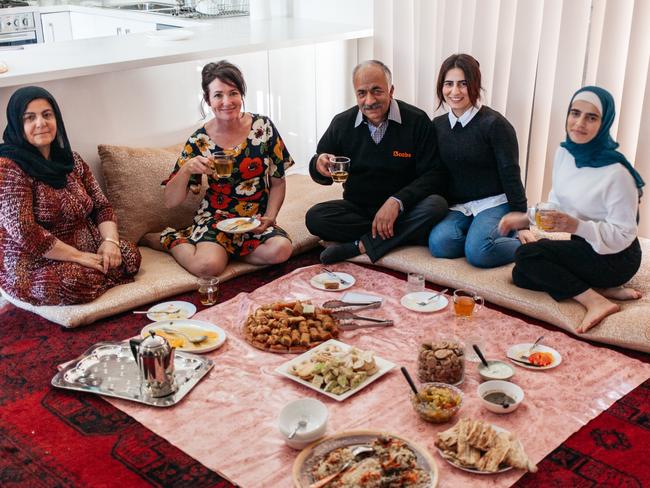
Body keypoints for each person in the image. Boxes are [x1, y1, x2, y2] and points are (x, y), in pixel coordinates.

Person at [499, 86, 644, 333]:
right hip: (584, 245)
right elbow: (558, 203)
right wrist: (525, 218)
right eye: (575, 113)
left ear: (604, 122)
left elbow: (624, 234)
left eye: (591, 117)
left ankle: (596, 302)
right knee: (521, 275)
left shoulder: (617, 173)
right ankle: (600, 288)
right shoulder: (565, 153)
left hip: (619, 257)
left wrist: (577, 226)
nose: (579, 123)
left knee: (527, 256)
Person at [140, 61, 294, 277]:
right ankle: (170, 239)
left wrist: (270, 216)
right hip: (216, 217)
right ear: (208, 100)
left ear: (242, 95)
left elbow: (278, 181)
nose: (227, 102)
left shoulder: (263, 128)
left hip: (254, 219)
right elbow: (170, 201)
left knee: (281, 250)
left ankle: (225, 251)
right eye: (218, 95)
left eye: (233, 93)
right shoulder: (199, 140)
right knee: (208, 268)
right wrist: (186, 170)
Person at [0, 86, 141, 305]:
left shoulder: (71, 160)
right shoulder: (8, 167)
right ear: (18, 125)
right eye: (30, 118)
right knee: (73, 281)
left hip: (88, 249)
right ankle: (100, 275)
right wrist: (78, 257)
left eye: (47, 115)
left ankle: (100, 271)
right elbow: (24, 231)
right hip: (38, 261)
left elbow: (102, 207)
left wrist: (110, 242)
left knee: (130, 255)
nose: (41, 123)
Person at [305, 60, 448, 264]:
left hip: (402, 209)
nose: (369, 100)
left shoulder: (417, 121)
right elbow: (319, 163)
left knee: (436, 206)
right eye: (362, 93)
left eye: (377, 91)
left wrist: (396, 202)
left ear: (391, 90)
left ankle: (360, 245)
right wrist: (319, 163)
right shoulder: (342, 123)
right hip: (359, 207)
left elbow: (435, 175)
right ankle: (399, 235)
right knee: (315, 217)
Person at [428, 53, 528, 268]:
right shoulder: (438, 125)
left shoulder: (495, 125)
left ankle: (534, 247)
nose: (455, 91)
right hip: (460, 206)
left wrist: (523, 222)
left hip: (494, 202)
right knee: (439, 245)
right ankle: (486, 237)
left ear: (475, 85)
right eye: (449, 84)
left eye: (463, 84)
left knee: (479, 254)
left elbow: (511, 173)